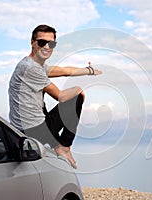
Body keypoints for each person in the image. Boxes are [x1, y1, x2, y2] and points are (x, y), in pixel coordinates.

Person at [8, 24, 102, 169]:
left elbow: (66, 71)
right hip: (33, 130)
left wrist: (89, 70)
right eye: (41, 42)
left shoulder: (35, 65)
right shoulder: (30, 68)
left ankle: (58, 144)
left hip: (27, 127)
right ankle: (64, 146)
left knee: (72, 96)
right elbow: (61, 97)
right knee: (75, 98)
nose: (46, 47)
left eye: (51, 43)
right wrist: (78, 89)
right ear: (32, 42)